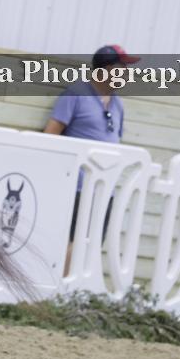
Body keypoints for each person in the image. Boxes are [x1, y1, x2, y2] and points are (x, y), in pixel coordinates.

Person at [43, 44, 139, 275]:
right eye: (121, 67)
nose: (126, 73)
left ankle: (75, 289)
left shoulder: (117, 104)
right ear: (105, 69)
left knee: (92, 244)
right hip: (77, 187)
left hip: (105, 189)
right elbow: (50, 136)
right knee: (72, 242)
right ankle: (58, 288)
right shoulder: (76, 94)